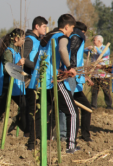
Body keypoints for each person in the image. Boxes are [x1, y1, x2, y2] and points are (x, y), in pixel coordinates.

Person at [30, 14, 79, 153]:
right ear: (67, 26)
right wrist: (69, 68)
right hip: (52, 81)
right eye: (72, 29)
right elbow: (62, 49)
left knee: (41, 113)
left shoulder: (48, 36)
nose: (71, 32)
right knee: (73, 112)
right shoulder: (61, 36)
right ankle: (71, 146)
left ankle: (32, 144)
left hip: (40, 80)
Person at [0, 28, 26, 134]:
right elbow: (5, 69)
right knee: (0, 109)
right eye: (23, 38)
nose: (24, 41)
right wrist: (18, 65)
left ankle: (23, 127)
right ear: (16, 38)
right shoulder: (8, 52)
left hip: (16, 85)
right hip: (8, 86)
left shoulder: (17, 51)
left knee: (24, 106)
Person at [16, 16, 47, 151]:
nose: (46, 29)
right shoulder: (30, 40)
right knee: (31, 108)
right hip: (29, 78)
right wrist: (35, 67)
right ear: (37, 27)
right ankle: (27, 132)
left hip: (35, 76)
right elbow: (24, 59)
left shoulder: (38, 40)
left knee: (33, 108)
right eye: (44, 26)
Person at [62, 21, 92, 142]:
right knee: (69, 109)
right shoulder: (77, 37)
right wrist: (71, 70)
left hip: (76, 78)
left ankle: (85, 135)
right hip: (71, 77)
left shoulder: (76, 37)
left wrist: (83, 76)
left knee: (86, 107)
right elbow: (72, 55)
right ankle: (65, 136)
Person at [85, 35, 113, 109]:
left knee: (106, 91)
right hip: (94, 73)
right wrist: (88, 48)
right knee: (94, 91)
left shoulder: (106, 48)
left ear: (99, 41)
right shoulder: (93, 49)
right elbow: (84, 51)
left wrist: (95, 48)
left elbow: (103, 54)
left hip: (104, 74)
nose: (93, 42)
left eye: (94, 40)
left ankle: (109, 106)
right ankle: (93, 105)